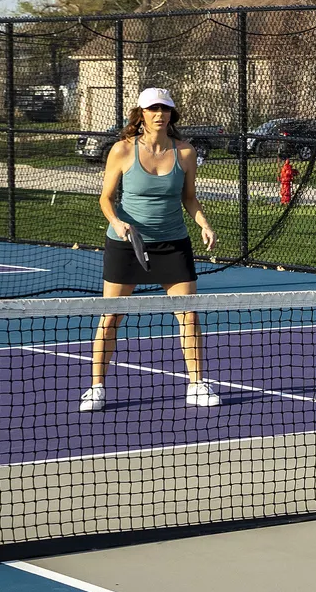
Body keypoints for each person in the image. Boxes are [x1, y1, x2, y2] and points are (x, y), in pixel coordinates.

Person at [80, 88, 222, 412]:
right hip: (126, 245)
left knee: (188, 315)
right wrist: (116, 223)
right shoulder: (122, 150)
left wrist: (204, 223)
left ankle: (197, 384)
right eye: (153, 108)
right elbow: (105, 197)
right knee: (111, 316)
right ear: (140, 114)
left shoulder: (185, 153)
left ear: (172, 114)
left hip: (173, 245)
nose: (160, 114)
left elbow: (189, 197)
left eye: (165, 108)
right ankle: (96, 388)